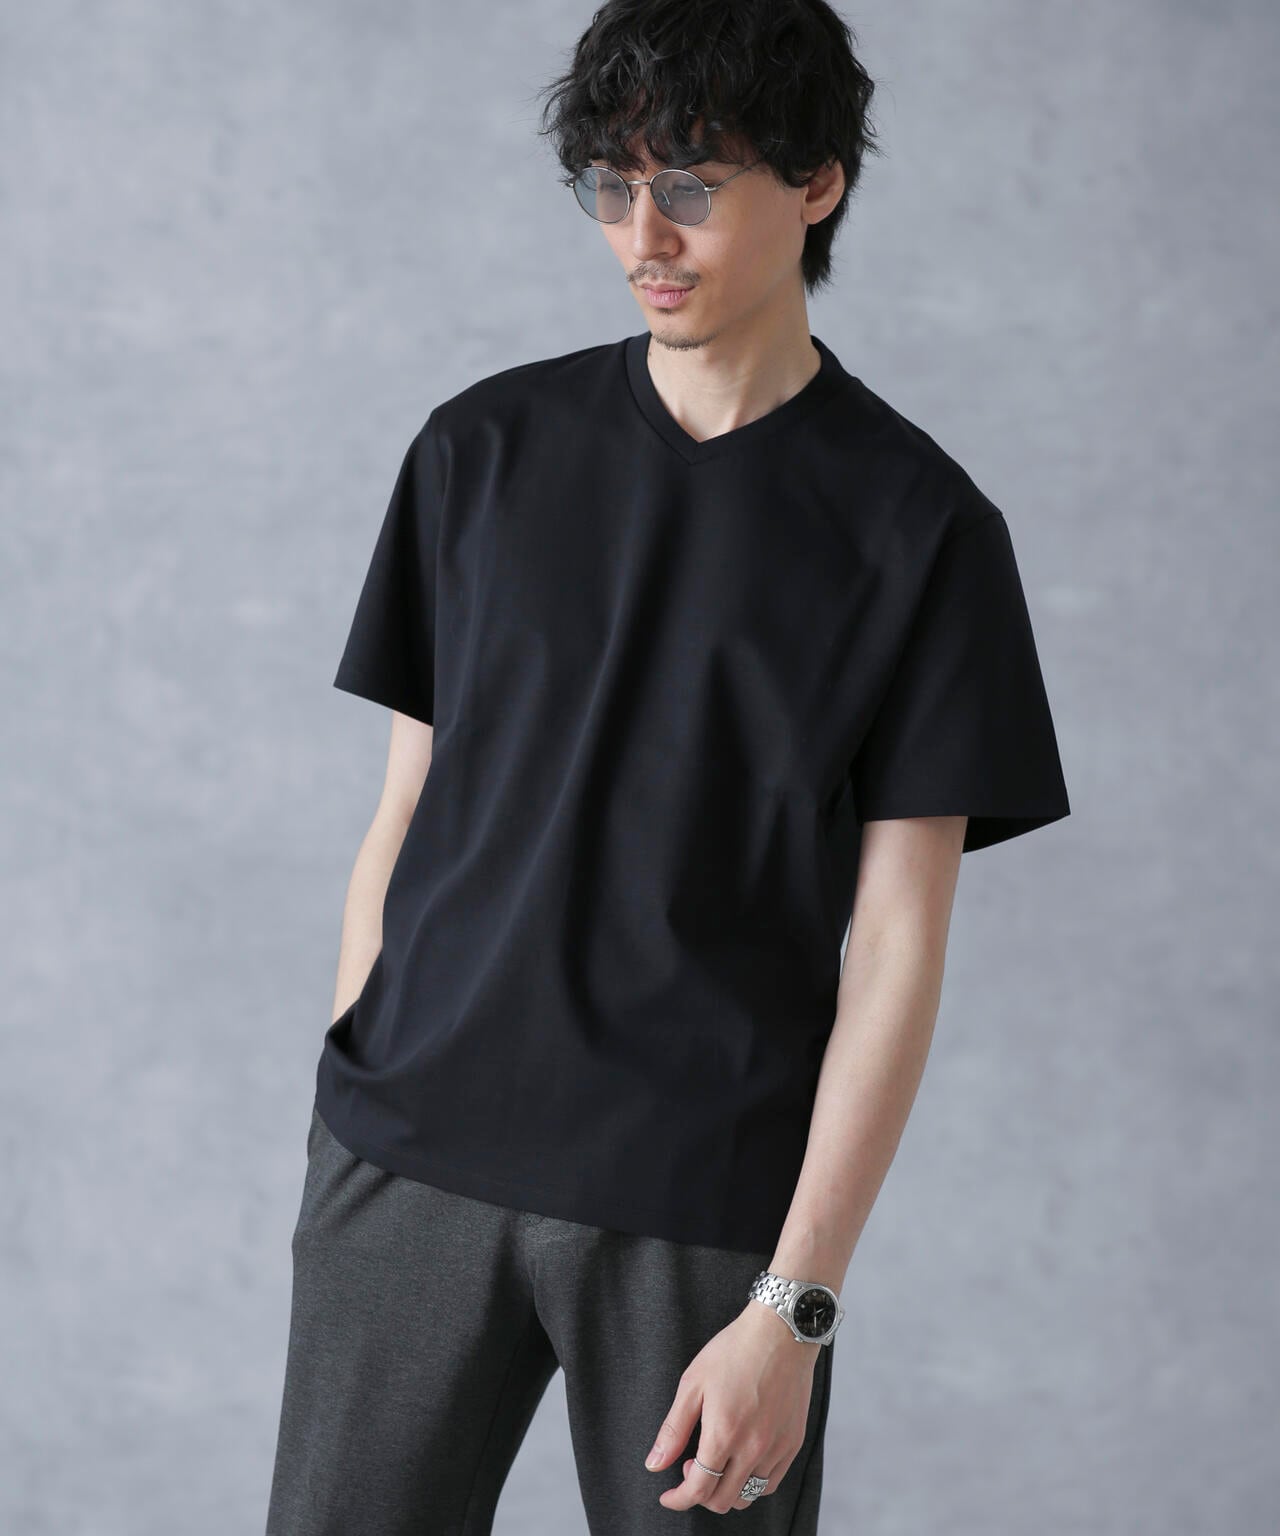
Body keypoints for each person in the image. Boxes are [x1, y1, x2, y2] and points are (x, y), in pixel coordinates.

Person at [265, 2, 1071, 1531]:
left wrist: (797, 1304)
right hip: (407, 1160)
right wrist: (354, 1067)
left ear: (818, 182)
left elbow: (899, 950)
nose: (645, 235)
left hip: (701, 1218)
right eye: (612, 185)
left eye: (693, 184)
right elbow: (406, 808)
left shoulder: (921, 534)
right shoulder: (477, 453)